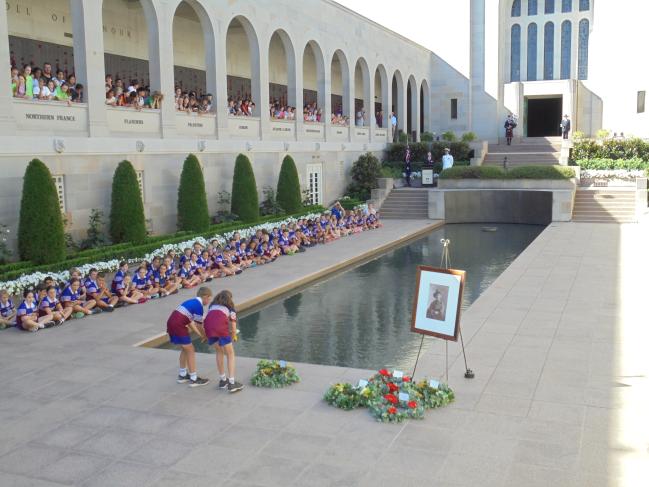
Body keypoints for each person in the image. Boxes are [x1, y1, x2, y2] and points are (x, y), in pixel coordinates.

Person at [166, 287, 212, 387]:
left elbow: (190, 322)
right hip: (179, 326)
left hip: (171, 323)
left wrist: (201, 335)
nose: (209, 301)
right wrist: (205, 335)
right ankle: (194, 378)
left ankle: (182, 375)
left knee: (185, 349)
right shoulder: (199, 306)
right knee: (190, 350)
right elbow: (199, 325)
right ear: (205, 297)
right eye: (209, 298)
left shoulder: (192, 302)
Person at [204, 290, 244, 393]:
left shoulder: (212, 305)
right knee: (230, 354)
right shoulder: (230, 308)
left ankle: (223, 380)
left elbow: (214, 318)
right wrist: (233, 336)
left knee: (219, 352)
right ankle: (231, 383)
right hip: (221, 329)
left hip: (209, 328)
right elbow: (233, 326)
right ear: (229, 299)